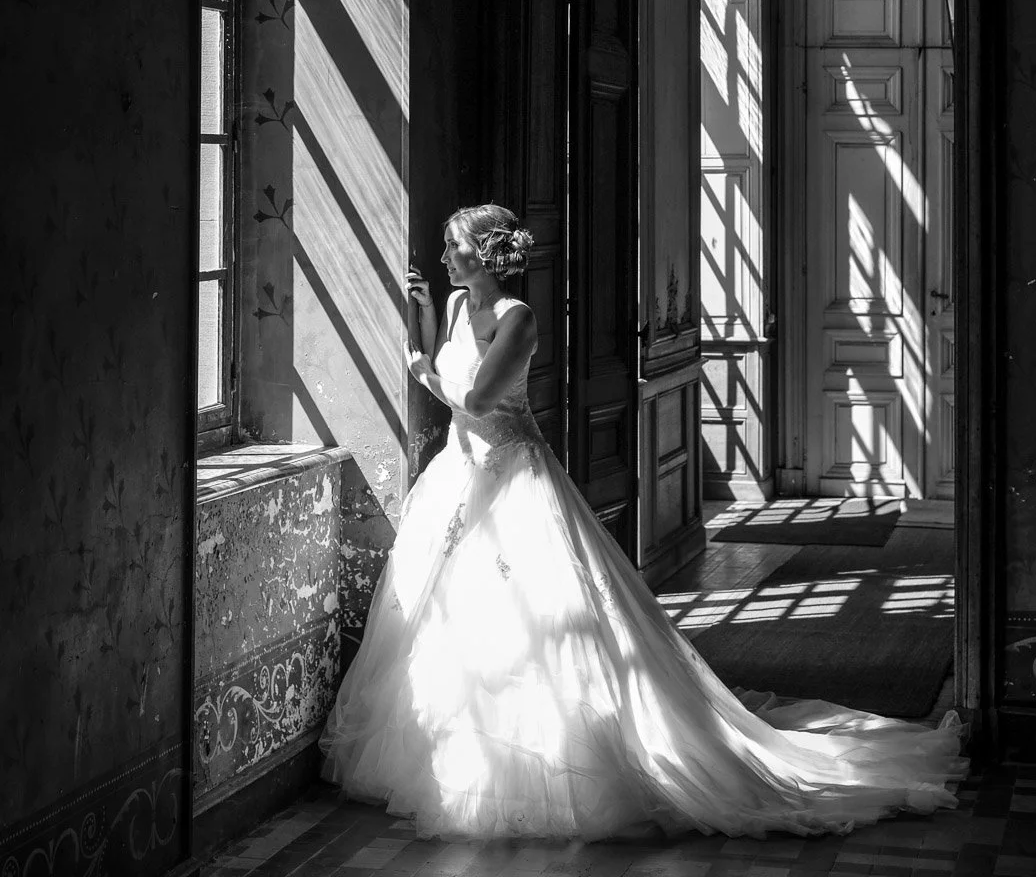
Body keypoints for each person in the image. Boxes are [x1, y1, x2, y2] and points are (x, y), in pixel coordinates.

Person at [319, 202, 967, 842]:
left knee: (539, 617)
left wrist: (417, 366)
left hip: (513, 477)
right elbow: (457, 383)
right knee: (459, 620)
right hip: (458, 476)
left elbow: (478, 398)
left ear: (485, 253)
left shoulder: (518, 317)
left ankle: (563, 763)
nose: (440, 258)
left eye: (451, 247)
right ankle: (456, 758)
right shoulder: (458, 306)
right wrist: (429, 320)